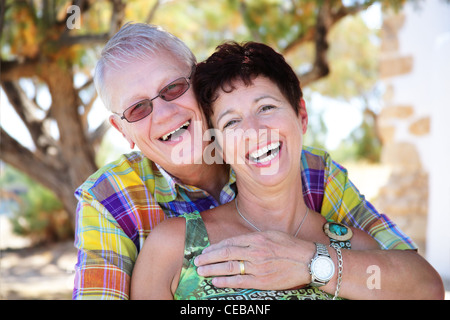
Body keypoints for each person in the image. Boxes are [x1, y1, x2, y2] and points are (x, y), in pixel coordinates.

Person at [73, 23, 443, 300]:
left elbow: (417, 282)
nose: (165, 113)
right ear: (121, 130)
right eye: (138, 108)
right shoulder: (111, 201)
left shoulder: (309, 170)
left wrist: (310, 262)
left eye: (173, 88)